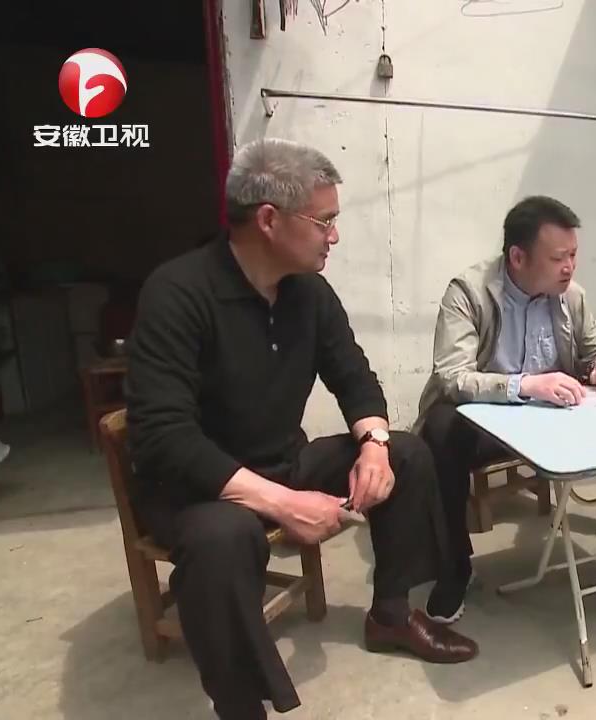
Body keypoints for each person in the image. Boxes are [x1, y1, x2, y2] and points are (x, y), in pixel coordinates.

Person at [125, 138, 477, 720]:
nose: (333, 236)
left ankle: (391, 614)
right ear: (269, 220)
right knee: (222, 540)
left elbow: (355, 378)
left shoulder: (308, 292)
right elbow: (165, 436)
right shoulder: (178, 293)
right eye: (324, 221)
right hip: (198, 490)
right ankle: (240, 705)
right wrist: (285, 504)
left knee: (409, 455)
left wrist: (374, 446)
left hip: (282, 461)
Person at [414, 195, 596, 588]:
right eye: (559, 258)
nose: (570, 266)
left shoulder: (571, 294)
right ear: (518, 257)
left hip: (552, 413)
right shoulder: (468, 293)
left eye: (573, 255)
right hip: (492, 416)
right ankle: (454, 562)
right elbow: (451, 377)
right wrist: (524, 385)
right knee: (441, 428)